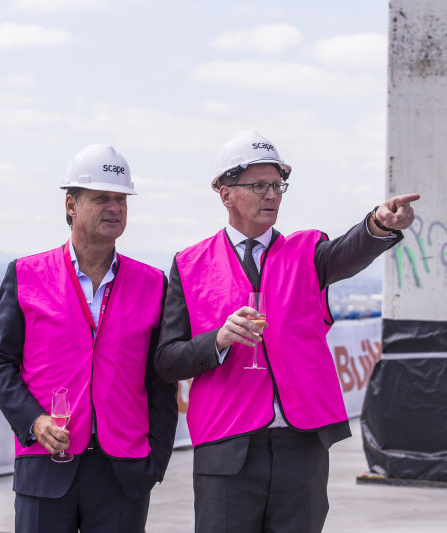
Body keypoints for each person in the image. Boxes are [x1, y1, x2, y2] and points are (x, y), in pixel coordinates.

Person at [155, 130, 419, 533]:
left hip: (301, 447)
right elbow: (168, 360)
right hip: (225, 447)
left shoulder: (308, 251)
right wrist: (219, 340)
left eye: (278, 185)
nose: (272, 195)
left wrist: (378, 225)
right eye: (259, 185)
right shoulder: (189, 264)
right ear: (225, 193)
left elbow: (349, 251)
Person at [0, 144, 178, 533]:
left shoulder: (153, 283)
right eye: (101, 197)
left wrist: (154, 462)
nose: (115, 208)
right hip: (44, 464)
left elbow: (160, 379)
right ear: (71, 205)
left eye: (121, 199)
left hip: (123, 472)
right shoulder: (25, 274)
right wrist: (34, 421)